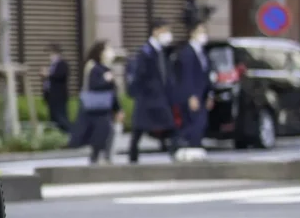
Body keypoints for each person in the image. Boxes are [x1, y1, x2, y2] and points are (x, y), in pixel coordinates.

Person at [128, 17, 176, 163]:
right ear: (156, 31)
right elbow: (140, 75)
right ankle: (133, 157)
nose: (168, 34)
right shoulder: (146, 51)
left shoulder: (161, 51)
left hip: (159, 96)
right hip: (147, 97)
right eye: (165, 30)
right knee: (139, 129)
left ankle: (173, 152)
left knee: (170, 125)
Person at [69, 40, 122, 164]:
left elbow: (113, 93)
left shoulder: (107, 69)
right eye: (107, 49)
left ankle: (104, 157)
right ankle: (98, 158)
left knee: (108, 132)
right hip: (97, 109)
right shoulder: (94, 67)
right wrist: (106, 79)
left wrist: (118, 109)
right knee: (101, 133)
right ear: (100, 52)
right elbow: (94, 86)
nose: (110, 52)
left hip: (105, 108)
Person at [173, 11, 213, 159]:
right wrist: (190, 95)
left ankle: (195, 147)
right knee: (192, 123)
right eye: (201, 31)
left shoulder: (202, 52)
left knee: (200, 123)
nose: (203, 34)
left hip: (202, 94)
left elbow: (207, 74)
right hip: (192, 96)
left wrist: (209, 94)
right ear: (192, 33)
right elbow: (186, 76)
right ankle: (187, 148)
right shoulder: (186, 53)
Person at [42, 44, 71, 134]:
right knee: (53, 117)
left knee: (61, 117)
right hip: (51, 96)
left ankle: (70, 133)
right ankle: (58, 135)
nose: (50, 56)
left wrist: (48, 75)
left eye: (51, 54)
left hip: (59, 96)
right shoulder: (52, 66)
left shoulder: (62, 64)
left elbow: (61, 76)